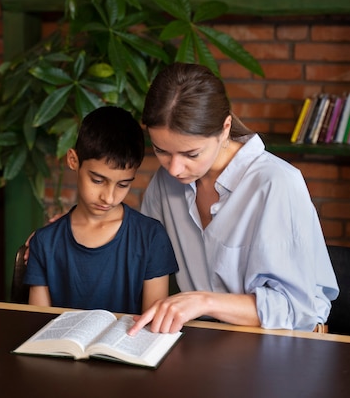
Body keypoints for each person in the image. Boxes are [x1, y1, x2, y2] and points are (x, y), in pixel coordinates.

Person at [127, 62, 338, 335]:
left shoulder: (276, 184)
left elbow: (298, 311)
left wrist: (204, 301)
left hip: (287, 342)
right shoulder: (165, 184)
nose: (174, 168)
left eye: (191, 154)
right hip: (208, 340)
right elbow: (142, 253)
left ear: (225, 128)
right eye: (161, 151)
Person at [24, 105, 178, 315]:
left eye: (123, 185)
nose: (109, 197)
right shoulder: (45, 242)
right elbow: (38, 324)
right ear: (73, 160)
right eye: (97, 180)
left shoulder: (151, 237)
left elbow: (151, 325)